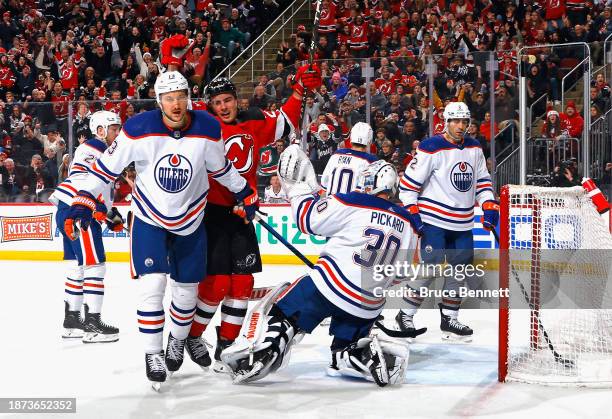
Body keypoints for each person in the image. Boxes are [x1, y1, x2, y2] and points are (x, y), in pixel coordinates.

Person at [62, 71, 256, 390]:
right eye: (169, 98)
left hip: (191, 220)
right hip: (148, 218)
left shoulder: (208, 128)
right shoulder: (137, 129)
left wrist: (243, 191)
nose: (176, 103)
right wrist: (84, 198)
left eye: (180, 95)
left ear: (188, 97)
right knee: (152, 286)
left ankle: (176, 342)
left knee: (186, 292)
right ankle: (153, 354)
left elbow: (221, 168)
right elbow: (106, 169)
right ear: (159, 101)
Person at [220, 149, 422, 386]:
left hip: (328, 287)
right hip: (369, 305)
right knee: (344, 349)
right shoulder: (410, 225)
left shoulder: (354, 201)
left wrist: (296, 189)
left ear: (371, 183)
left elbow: (307, 220)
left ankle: (269, 347)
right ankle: (356, 354)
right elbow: (401, 275)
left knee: (284, 311)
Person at [184, 67, 321, 373]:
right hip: (212, 214)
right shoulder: (203, 129)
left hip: (243, 211)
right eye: (217, 102)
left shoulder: (254, 121)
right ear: (210, 106)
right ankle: (193, 336)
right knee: (217, 284)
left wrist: (299, 90)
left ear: (236, 99)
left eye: (227, 100)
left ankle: (226, 345)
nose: (223, 106)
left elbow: (285, 119)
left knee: (243, 283)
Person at [394, 102, 498, 342]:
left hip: (462, 223)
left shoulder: (474, 147)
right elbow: (408, 186)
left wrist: (489, 204)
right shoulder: (431, 147)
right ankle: (404, 315)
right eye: (456, 121)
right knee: (429, 268)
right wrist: (414, 214)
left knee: (459, 270)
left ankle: (449, 319)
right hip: (434, 221)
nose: (461, 126)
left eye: (465, 122)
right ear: (446, 121)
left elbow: (482, 181)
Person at [49, 111, 123, 344]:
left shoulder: (92, 150)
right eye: (114, 128)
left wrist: (109, 212)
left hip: (66, 206)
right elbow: (87, 181)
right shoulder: (98, 148)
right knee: (95, 264)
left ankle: (72, 320)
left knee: (79, 265)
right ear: (100, 131)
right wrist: (98, 207)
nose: (118, 133)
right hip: (80, 209)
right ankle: (92, 324)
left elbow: (93, 181)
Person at [321, 122, 378, 195]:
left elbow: (324, 188)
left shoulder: (336, 155)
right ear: (369, 140)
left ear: (351, 137)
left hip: (331, 203)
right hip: (353, 205)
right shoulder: (371, 161)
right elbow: (369, 192)